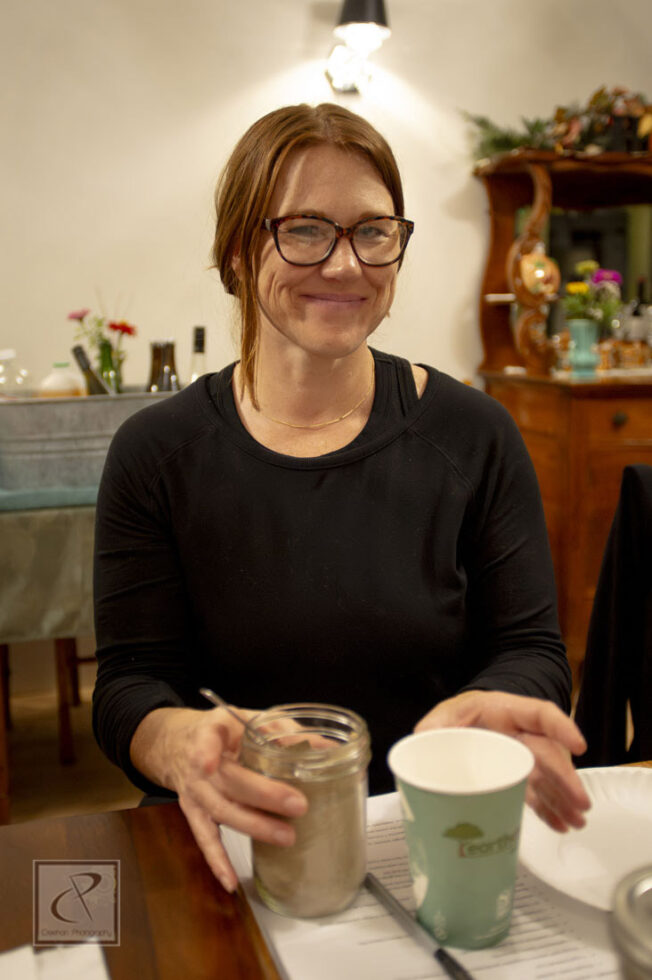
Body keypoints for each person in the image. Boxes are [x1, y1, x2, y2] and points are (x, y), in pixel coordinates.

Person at [92, 102, 590, 894]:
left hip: (429, 833)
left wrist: (497, 700)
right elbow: (129, 685)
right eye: (305, 229)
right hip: (234, 842)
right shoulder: (156, 453)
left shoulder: (474, 435)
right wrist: (178, 741)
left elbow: (531, 651)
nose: (347, 264)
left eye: (373, 231)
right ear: (236, 251)